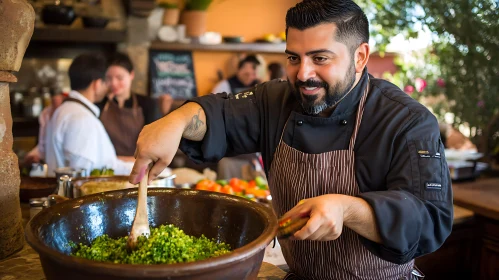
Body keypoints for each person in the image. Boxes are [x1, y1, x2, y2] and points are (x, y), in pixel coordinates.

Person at [130, 1, 453, 279]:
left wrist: (348, 209)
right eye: (294, 58)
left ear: (360, 57)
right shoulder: (277, 99)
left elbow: (429, 219)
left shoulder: (406, 121)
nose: (303, 74)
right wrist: (176, 119)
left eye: (320, 59)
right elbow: (222, 114)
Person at [45, 53, 133, 176]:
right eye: (105, 81)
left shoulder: (63, 110)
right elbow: (81, 173)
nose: (108, 86)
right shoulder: (82, 119)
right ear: (97, 84)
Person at [96, 52, 160, 157]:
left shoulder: (147, 104)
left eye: (119, 78)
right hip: (107, 165)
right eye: (108, 78)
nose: (113, 83)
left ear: (131, 75)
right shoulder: (99, 104)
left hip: (137, 164)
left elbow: (155, 141)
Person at [23, 90, 66, 166]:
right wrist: (33, 155)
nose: (55, 100)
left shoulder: (69, 114)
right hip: (51, 166)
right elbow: (43, 143)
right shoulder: (46, 113)